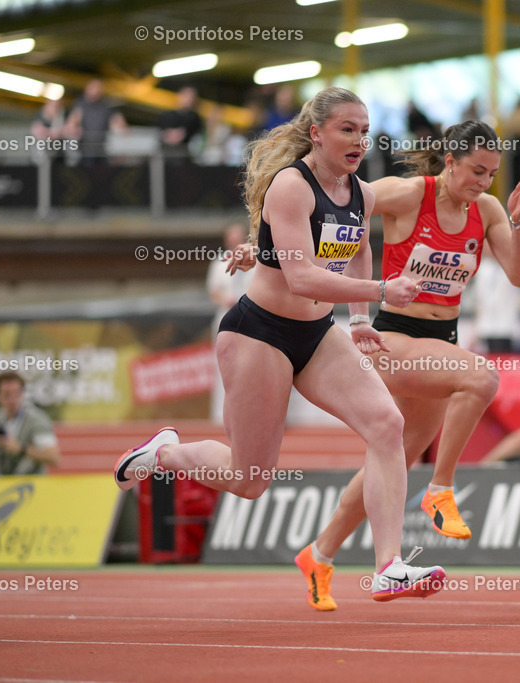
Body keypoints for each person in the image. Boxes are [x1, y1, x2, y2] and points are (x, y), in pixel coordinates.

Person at [113, 86, 446, 603]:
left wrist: (359, 321)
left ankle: (389, 566)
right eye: (347, 130)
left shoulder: (362, 191)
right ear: (317, 133)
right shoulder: (291, 186)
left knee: (387, 424)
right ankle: (165, 453)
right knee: (250, 479)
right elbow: (302, 279)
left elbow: (357, 248)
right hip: (258, 334)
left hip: (316, 336)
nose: (359, 140)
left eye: (364, 130)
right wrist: (380, 293)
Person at [297, 120, 520, 610]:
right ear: (449, 161)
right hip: (394, 338)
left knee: (391, 463)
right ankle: (441, 489)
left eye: (491, 175)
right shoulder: (407, 195)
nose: (482, 183)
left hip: (440, 340)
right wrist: (269, 250)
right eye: (475, 171)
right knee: (481, 376)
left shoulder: (486, 209)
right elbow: (335, 203)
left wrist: (516, 223)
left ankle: (318, 555)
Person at [205, 222, 253, 424]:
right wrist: (227, 300)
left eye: (238, 236)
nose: (235, 240)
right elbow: (213, 291)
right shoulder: (218, 263)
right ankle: (221, 415)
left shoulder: (256, 260)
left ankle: (251, 412)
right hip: (226, 317)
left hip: (251, 319)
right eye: (231, 237)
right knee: (223, 366)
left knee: (251, 366)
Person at [0, 371, 60, 475]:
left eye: (16, 393)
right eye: (7, 395)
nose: (12, 400)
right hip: (2, 480)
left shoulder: (36, 420)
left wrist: (21, 449)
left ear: (23, 393)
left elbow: (54, 458)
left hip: (31, 482)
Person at [65, 79, 127, 164]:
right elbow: (73, 120)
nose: (94, 91)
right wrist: (73, 127)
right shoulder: (81, 104)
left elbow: (118, 122)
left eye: (97, 88)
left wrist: (121, 130)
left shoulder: (106, 105)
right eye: (92, 88)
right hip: (85, 149)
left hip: (102, 149)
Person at [158, 86, 203, 162]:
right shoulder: (167, 115)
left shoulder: (194, 117)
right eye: (186, 95)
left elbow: (196, 137)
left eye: (191, 97)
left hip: (185, 158)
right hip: (167, 156)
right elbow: (161, 134)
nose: (188, 99)